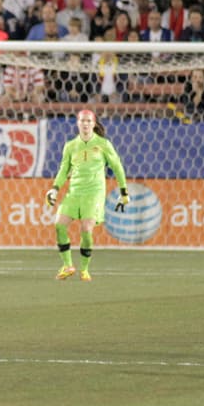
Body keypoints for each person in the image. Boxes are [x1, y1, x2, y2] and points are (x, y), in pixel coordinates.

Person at [44, 109, 129, 282]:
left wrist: (124, 192)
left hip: (94, 193)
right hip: (74, 192)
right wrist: (54, 188)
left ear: (94, 123)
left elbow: (117, 167)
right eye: (82, 121)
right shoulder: (70, 146)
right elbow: (63, 170)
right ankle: (67, 266)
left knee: (86, 229)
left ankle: (84, 269)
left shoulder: (103, 144)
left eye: (89, 121)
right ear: (77, 123)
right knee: (59, 225)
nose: (85, 124)